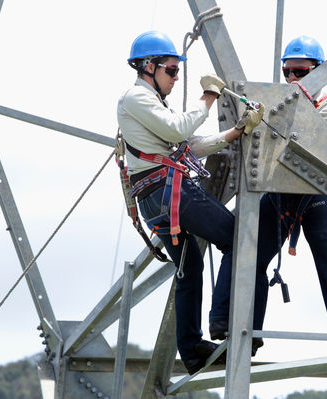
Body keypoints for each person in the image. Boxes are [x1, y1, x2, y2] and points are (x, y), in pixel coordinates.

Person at [209, 35, 327, 359]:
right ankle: (237, 325)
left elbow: (309, 143)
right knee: (248, 253)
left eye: (300, 72)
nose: (292, 80)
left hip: (313, 192)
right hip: (279, 192)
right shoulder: (276, 103)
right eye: (288, 73)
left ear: (317, 71)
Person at [117, 30, 263, 375]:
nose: (175, 76)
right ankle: (224, 320)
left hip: (155, 198)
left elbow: (188, 145)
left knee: (190, 269)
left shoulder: (149, 103)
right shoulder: (135, 98)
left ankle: (192, 349)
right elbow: (176, 130)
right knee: (237, 239)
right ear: (148, 67)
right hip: (168, 192)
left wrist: (236, 131)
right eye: (171, 69)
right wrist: (208, 96)